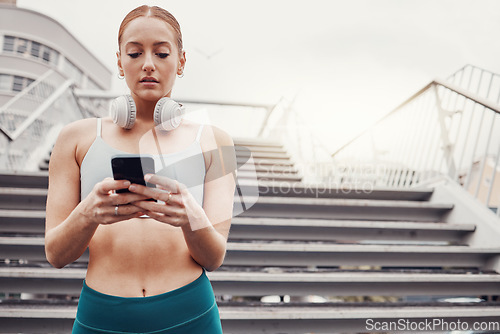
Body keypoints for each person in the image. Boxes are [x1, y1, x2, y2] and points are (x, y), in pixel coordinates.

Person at [44, 5, 236, 333]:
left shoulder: (217, 142)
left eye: (162, 53)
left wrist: (191, 215)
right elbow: (56, 253)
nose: (148, 64)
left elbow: (214, 258)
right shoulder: (74, 139)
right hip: (102, 317)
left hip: (191, 314)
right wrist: (88, 212)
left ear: (182, 61)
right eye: (134, 53)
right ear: (119, 61)